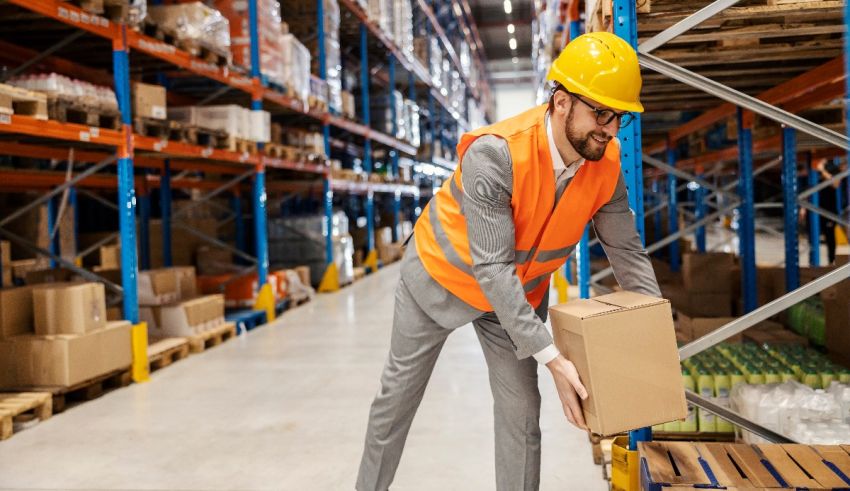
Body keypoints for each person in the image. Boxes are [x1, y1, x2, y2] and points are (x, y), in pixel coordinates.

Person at [356, 31, 661, 491]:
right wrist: (554, 358)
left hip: (516, 299)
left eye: (620, 118)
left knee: (522, 415)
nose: (611, 129)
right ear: (561, 102)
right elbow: (492, 268)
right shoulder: (496, 153)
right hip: (439, 282)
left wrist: (653, 329)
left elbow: (626, 252)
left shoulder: (606, 164)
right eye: (601, 113)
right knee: (397, 401)